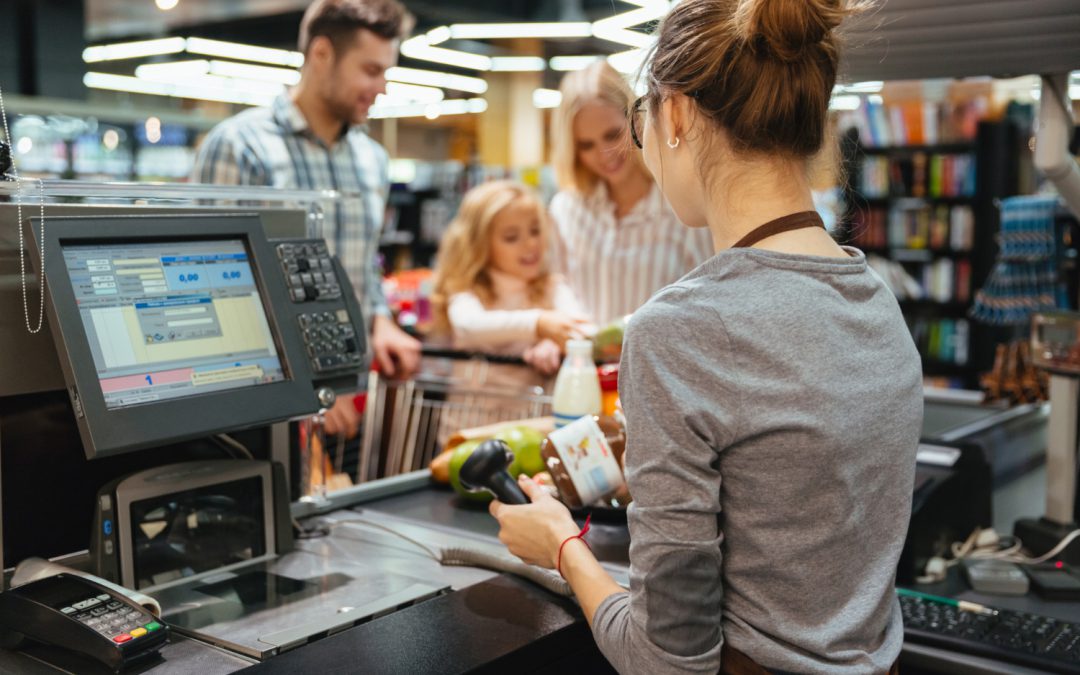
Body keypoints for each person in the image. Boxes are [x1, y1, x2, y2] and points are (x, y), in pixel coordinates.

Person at [490, 0, 921, 673]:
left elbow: (666, 660)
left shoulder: (676, 331)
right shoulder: (877, 301)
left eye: (641, 117)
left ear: (678, 116)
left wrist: (561, 546)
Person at [191, 0, 421, 438]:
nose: (382, 88)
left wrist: (380, 319)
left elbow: (362, 265)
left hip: (350, 398)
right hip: (264, 408)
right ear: (321, 53)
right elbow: (213, 287)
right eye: (371, 70)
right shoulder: (242, 147)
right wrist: (306, 387)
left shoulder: (372, 160)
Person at [548, 61, 714, 327]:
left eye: (613, 135)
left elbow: (710, 297)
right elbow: (555, 282)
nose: (604, 154)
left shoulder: (683, 207)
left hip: (663, 353)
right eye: (586, 145)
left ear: (637, 120)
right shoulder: (565, 209)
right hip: (585, 354)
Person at [431, 180, 590, 376]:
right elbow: (468, 325)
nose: (531, 244)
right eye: (511, 237)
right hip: (471, 397)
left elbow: (584, 329)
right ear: (480, 244)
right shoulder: (466, 289)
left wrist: (555, 342)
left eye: (535, 231)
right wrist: (538, 324)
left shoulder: (551, 287)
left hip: (534, 397)